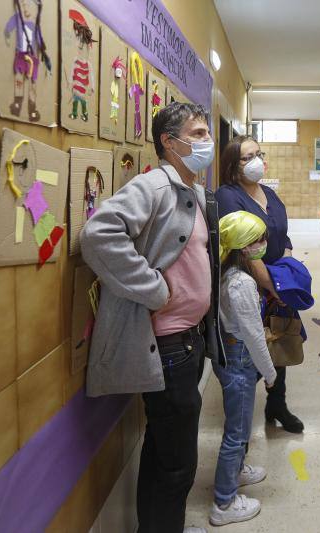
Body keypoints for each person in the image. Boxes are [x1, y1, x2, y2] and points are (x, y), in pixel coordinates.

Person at [80, 102, 224, 533]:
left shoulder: (192, 191)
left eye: (205, 133)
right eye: (197, 134)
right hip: (168, 344)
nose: (206, 142)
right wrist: (155, 290)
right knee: (178, 464)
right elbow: (99, 233)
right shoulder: (156, 186)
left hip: (189, 339)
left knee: (165, 452)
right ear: (169, 141)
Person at [216, 135, 304, 433]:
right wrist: (274, 287)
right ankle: (239, 423)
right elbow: (242, 245)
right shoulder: (228, 196)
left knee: (278, 339)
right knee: (253, 350)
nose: (257, 161)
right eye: (248, 157)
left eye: (259, 153)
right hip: (252, 284)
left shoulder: (269, 193)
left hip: (279, 281)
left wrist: (288, 275)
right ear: (233, 165)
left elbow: (284, 235)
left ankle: (277, 404)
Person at [209, 211, 279, 526]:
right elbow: (253, 335)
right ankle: (223, 503)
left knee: (239, 425)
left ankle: (237, 471)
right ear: (243, 247)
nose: (264, 244)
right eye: (258, 240)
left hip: (231, 355)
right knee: (236, 432)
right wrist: (271, 372)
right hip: (239, 360)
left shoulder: (225, 274)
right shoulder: (241, 284)